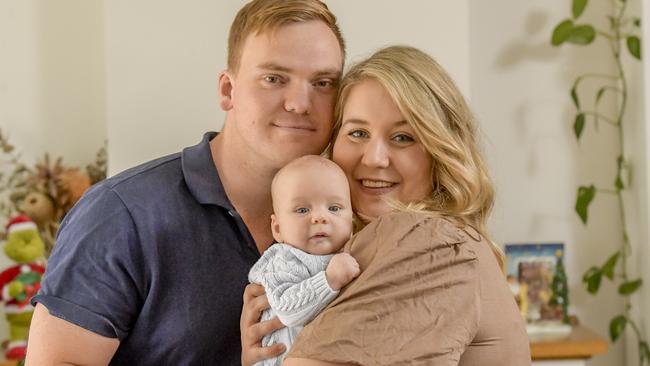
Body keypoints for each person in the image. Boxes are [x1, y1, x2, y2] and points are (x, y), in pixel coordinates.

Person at [24, 1, 345, 365]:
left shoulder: (351, 219)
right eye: (274, 78)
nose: (300, 103)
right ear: (228, 90)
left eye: (323, 83)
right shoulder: (120, 215)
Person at [243, 46, 531, 365]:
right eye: (357, 133)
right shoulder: (370, 246)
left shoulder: (426, 242)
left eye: (403, 138)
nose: (374, 158)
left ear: (441, 152)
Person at [249, 155, 360, 366]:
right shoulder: (281, 260)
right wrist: (329, 280)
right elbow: (287, 311)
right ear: (278, 229)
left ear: (351, 223)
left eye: (334, 208)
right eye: (302, 210)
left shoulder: (349, 256)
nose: (319, 217)